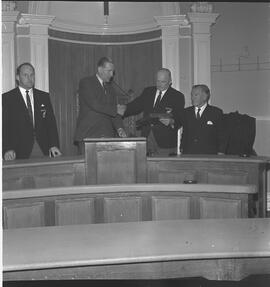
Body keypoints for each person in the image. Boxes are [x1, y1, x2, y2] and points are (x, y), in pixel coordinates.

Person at [117, 68, 185, 156]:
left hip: (165, 142)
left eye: (163, 82)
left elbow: (180, 118)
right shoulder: (148, 91)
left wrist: (171, 121)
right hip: (146, 137)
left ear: (170, 81)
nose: (159, 84)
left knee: (164, 168)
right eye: (157, 81)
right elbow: (136, 105)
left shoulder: (177, 96)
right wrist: (124, 109)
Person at [2, 62, 62, 160]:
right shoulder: (7, 98)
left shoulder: (44, 97)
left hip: (43, 148)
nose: (29, 78)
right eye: (25, 75)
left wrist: (54, 145)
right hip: (17, 151)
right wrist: (7, 149)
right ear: (18, 77)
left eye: (32, 75)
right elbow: (4, 127)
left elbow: (51, 123)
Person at [74, 57, 126, 153]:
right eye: (109, 71)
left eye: (113, 71)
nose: (111, 75)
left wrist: (119, 128)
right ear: (100, 69)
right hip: (88, 134)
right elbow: (95, 104)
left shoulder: (111, 89)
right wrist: (116, 109)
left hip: (107, 136)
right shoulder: (86, 82)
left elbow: (113, 113)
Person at [180, 84, 225, 155]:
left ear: (205, 96)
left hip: (209, 154)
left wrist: (221, 151)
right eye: (192, 95)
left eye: (196, 95)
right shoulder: (186, 112)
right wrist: (181, 148)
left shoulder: (216, 112)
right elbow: (185, 133)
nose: (192, 98)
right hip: (189, 153)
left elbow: (221, 134)